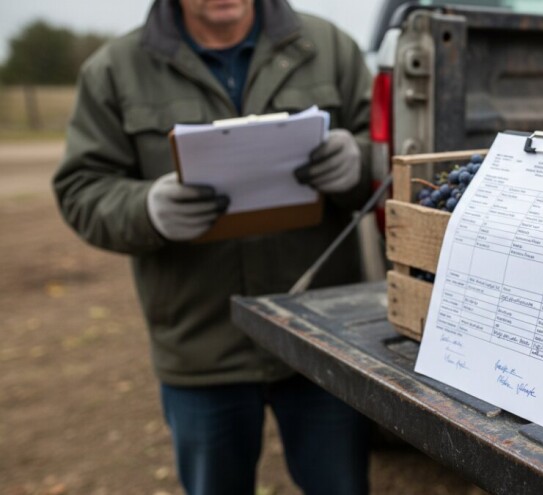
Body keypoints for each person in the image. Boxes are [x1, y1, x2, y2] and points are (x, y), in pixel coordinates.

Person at [52, 0, 372, 494]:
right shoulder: (115, 70)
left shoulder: (329, 48)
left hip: (320, 335)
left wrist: (362, 163)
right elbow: (81, 189)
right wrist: (146, 209)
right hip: (201, 347)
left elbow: (400, 151)